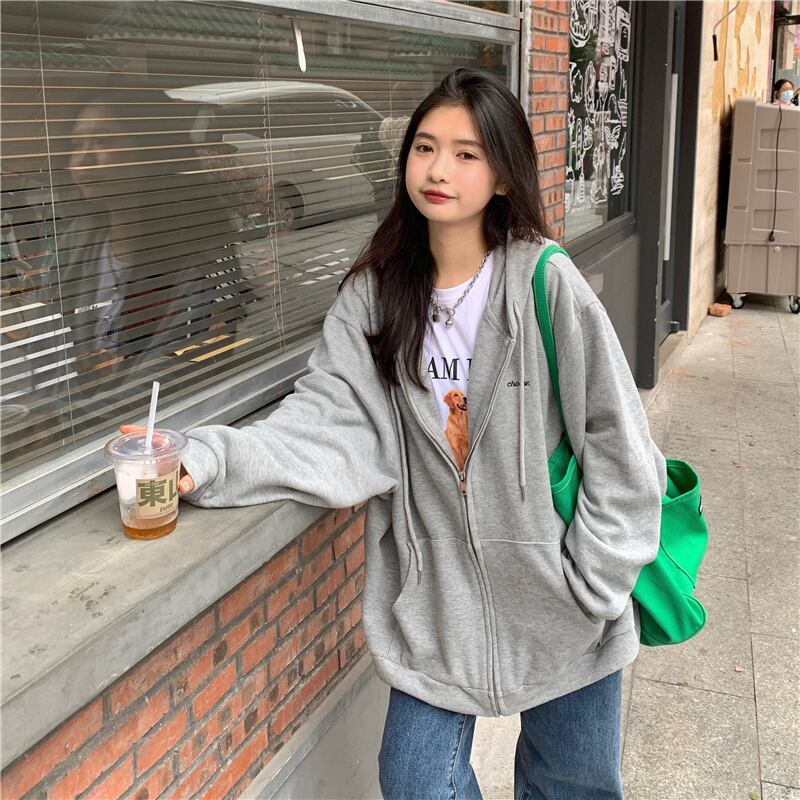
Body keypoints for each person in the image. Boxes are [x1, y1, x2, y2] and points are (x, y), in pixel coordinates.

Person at [122, 68, 665, 799]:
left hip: (563, 600)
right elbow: (326, 422)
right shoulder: (373, 297)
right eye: (425, 147)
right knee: (414, 781)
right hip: (435, 603)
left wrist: (596, 580)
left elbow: (617, 436)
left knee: (573, 787)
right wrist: (203, 457)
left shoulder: (543, 281)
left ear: (504, 176)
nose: (439, 170)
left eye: (467, 154)